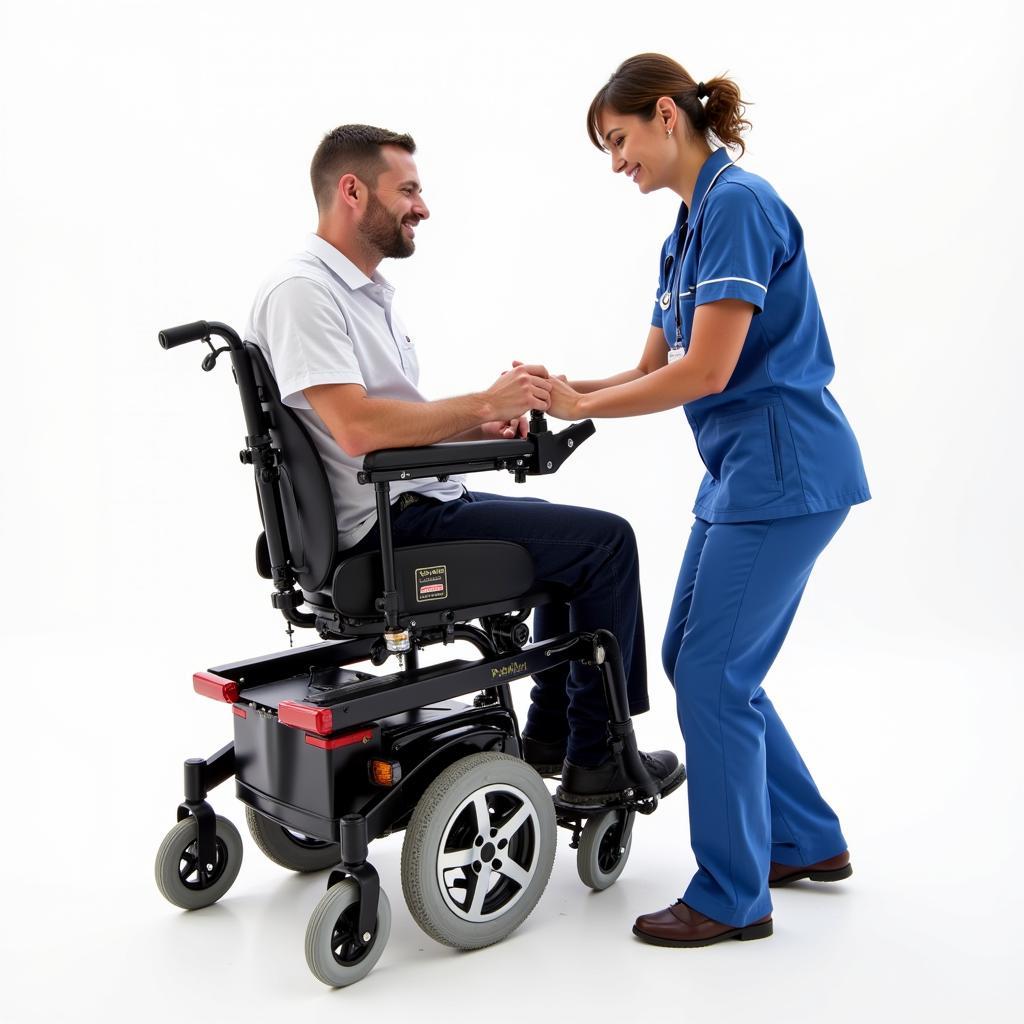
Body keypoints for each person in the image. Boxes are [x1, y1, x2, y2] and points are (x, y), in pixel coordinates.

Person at [244, 123, 680, 800]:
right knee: (606, 545)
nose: (423, 207)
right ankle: (597, 758)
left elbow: (380, 429)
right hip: (391, 530)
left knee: (576, 542)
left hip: (416, 505)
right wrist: (480, 401)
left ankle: (552, 735)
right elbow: (357, 430)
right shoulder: (304, 292)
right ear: (353, 191)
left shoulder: (356, 294)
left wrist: (480, 421)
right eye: (409, 189)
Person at [544, 54, 871, 946]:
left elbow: (708, 370)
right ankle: (803, 840)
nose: (617, 163)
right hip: (740, 473)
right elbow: (652, 370)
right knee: (697, 656)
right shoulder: (685, 228)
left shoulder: (737, 204)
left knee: (715, 676)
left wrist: (582, 405)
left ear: (663, 116)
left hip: (786, 472)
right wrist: (558, 389)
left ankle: (732, 894)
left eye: (618, 141)